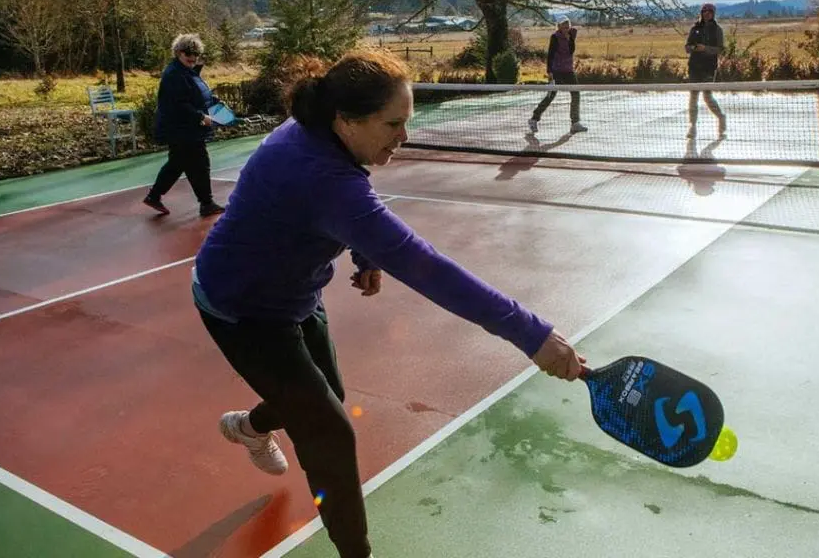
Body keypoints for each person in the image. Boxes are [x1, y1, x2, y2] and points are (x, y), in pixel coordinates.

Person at [191, 48, 585, 558]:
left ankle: (247, 427)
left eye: (408, 121)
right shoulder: (320, 176)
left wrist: (363, 252)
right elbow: (422, 264)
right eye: (393, 124)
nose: (404, 136)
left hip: (292, 292)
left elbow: (341, 221)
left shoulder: (323, 136)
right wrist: (530, 334)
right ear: (345, 121)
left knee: (318, 402)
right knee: (330, 433)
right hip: (241, 308)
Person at [143, 34, 226, 217]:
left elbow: (197, 94)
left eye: (196, 53)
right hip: (180, 128)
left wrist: (214, 102)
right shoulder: (174, 74)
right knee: (200, 162)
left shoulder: (187, 71)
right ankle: (206, 203)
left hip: (184, 128)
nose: (193, 57)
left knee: (177, 163)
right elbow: (179, 104)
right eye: (188, 53)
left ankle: (154, 196)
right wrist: (200, 116)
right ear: (178, 52)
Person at [528, 17, 587, 134]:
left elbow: (571, 49)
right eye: (564, 26)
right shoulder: (554, 37)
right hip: (556, 70)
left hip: (568, 70)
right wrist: (549, 71)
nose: (566, 28)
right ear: (559, 26)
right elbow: (550, 54)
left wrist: (570, 36)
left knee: (576, 93)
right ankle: (534, 119)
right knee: (551, 95)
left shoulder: (571, 35)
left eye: (568, 26)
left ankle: (575, 123)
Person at [684, 3, 727, 139]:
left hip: (709, 67)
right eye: (704, 11)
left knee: (707, 97)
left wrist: (706, 49)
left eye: (709, 11)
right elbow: (687, 47)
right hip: (694, 67)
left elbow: (720, 49)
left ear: (713, 13)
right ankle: (692, 126)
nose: (707, 13)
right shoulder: (695, 28)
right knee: (693, 97)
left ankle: (720, 117)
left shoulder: (717, 30)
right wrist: (693, 48)